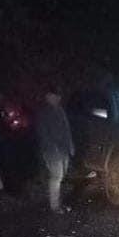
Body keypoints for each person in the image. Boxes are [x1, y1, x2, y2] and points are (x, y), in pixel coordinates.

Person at [35, 86, 75, 214]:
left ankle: (59, 204)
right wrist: (52, 148)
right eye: (54, 96)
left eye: (58, 96)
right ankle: (55, 206)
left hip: (63, 149)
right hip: (52, 150)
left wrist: (70, 146)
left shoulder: (60, 110)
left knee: (61, 176)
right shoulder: (44, 112)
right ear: (48, 96)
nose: (57, 98)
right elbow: (43, 133)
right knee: (56, 176)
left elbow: (66, 129)